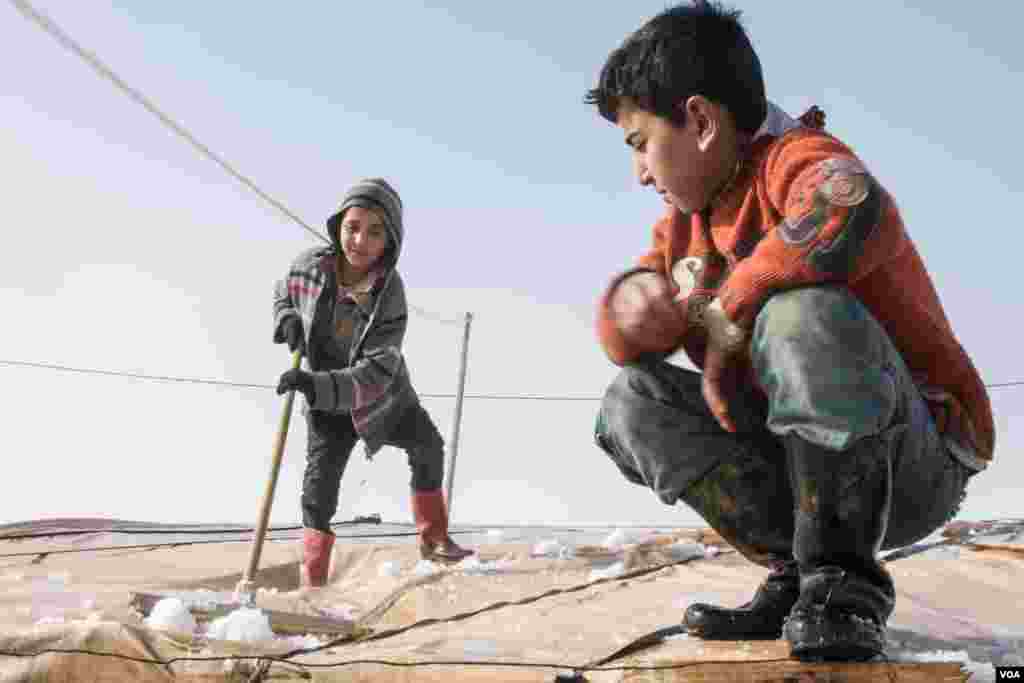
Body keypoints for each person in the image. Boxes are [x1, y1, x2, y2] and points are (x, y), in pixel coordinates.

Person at [585, 2, 993, 662]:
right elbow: (621, 322)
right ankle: (798, 573)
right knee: (630, 403)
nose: (638, 173)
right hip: (793, 461)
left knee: (798, 313)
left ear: (699, 120)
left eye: (640, 144)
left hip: (911, 461)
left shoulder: (797, 158)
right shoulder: (683, 227)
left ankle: (842, 588)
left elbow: (851, 203)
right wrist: (633, 306)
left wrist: (730, 309)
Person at [272, 178, 473, 587]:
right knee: (318, 492)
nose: (360, 240)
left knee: (427, 445)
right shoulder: (310, 265)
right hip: (327, 406)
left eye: (375, 231)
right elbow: (285, 291)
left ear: (390, 241)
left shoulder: (389, 295)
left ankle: (434, 539)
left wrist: (314, 385)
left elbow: (376, 371)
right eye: (353, 226)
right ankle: (313, 582)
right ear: (338, 225)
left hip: (383, 396)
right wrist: (287, 318)